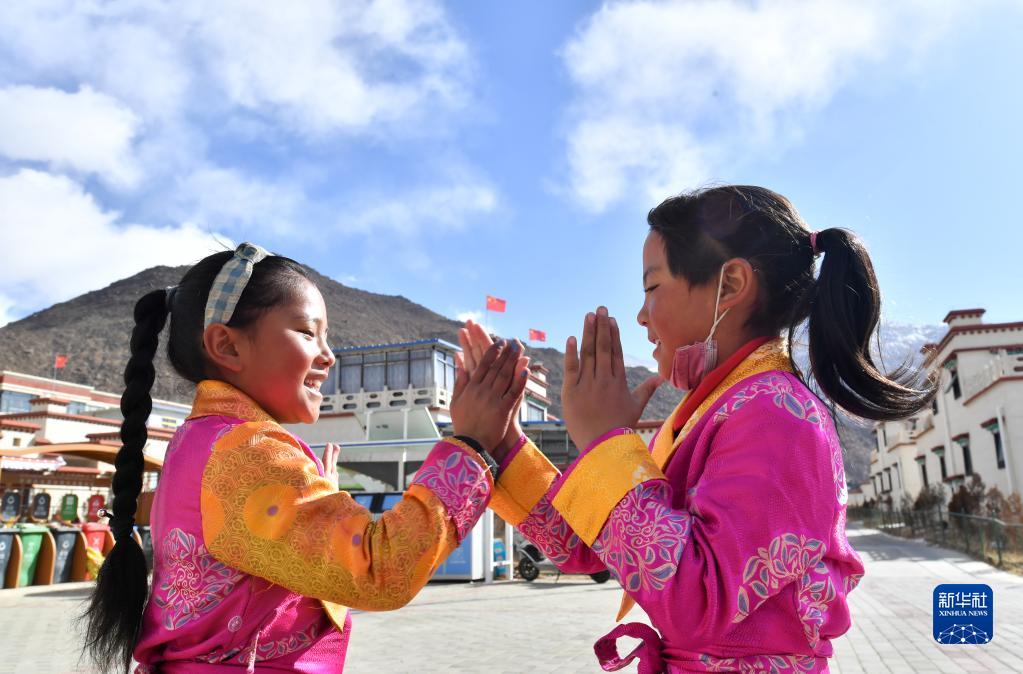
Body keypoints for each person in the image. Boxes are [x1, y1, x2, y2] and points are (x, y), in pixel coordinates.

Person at [463, 186, 935, 673]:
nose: (641, 316)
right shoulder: (710, 411)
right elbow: (589, 544)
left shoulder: (777, 415)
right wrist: (501, 440)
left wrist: (607, 445)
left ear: (730, 285)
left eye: (652, 287)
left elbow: (699, 600)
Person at [83, 243, 529, 673]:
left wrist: (317, 505)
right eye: (306, 332)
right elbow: (379, 570)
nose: (328, 356)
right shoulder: (248, 451)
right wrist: (471, 445)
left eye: (325, 337)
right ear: (228, 346)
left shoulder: (199, 439)